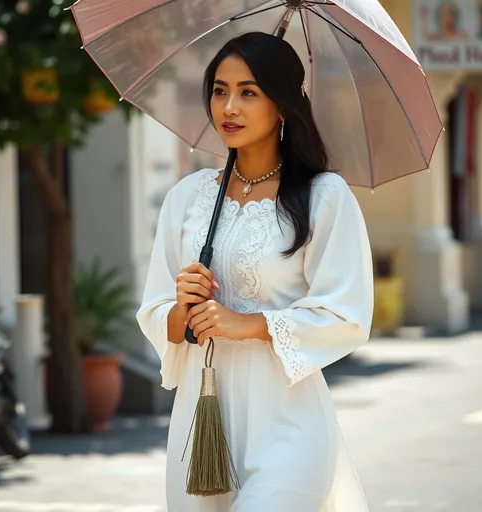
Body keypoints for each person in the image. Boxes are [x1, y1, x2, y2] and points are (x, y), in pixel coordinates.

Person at [137, 31, 373, 512]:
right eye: (220, 90)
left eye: (249, 92)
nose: (229, 107)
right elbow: (156, 311)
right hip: (202, 419)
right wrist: (182, 309)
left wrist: (250, 325)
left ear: (283, 105)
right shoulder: (189, 198)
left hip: (288, 419)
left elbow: (347, 313)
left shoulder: (324, 198)